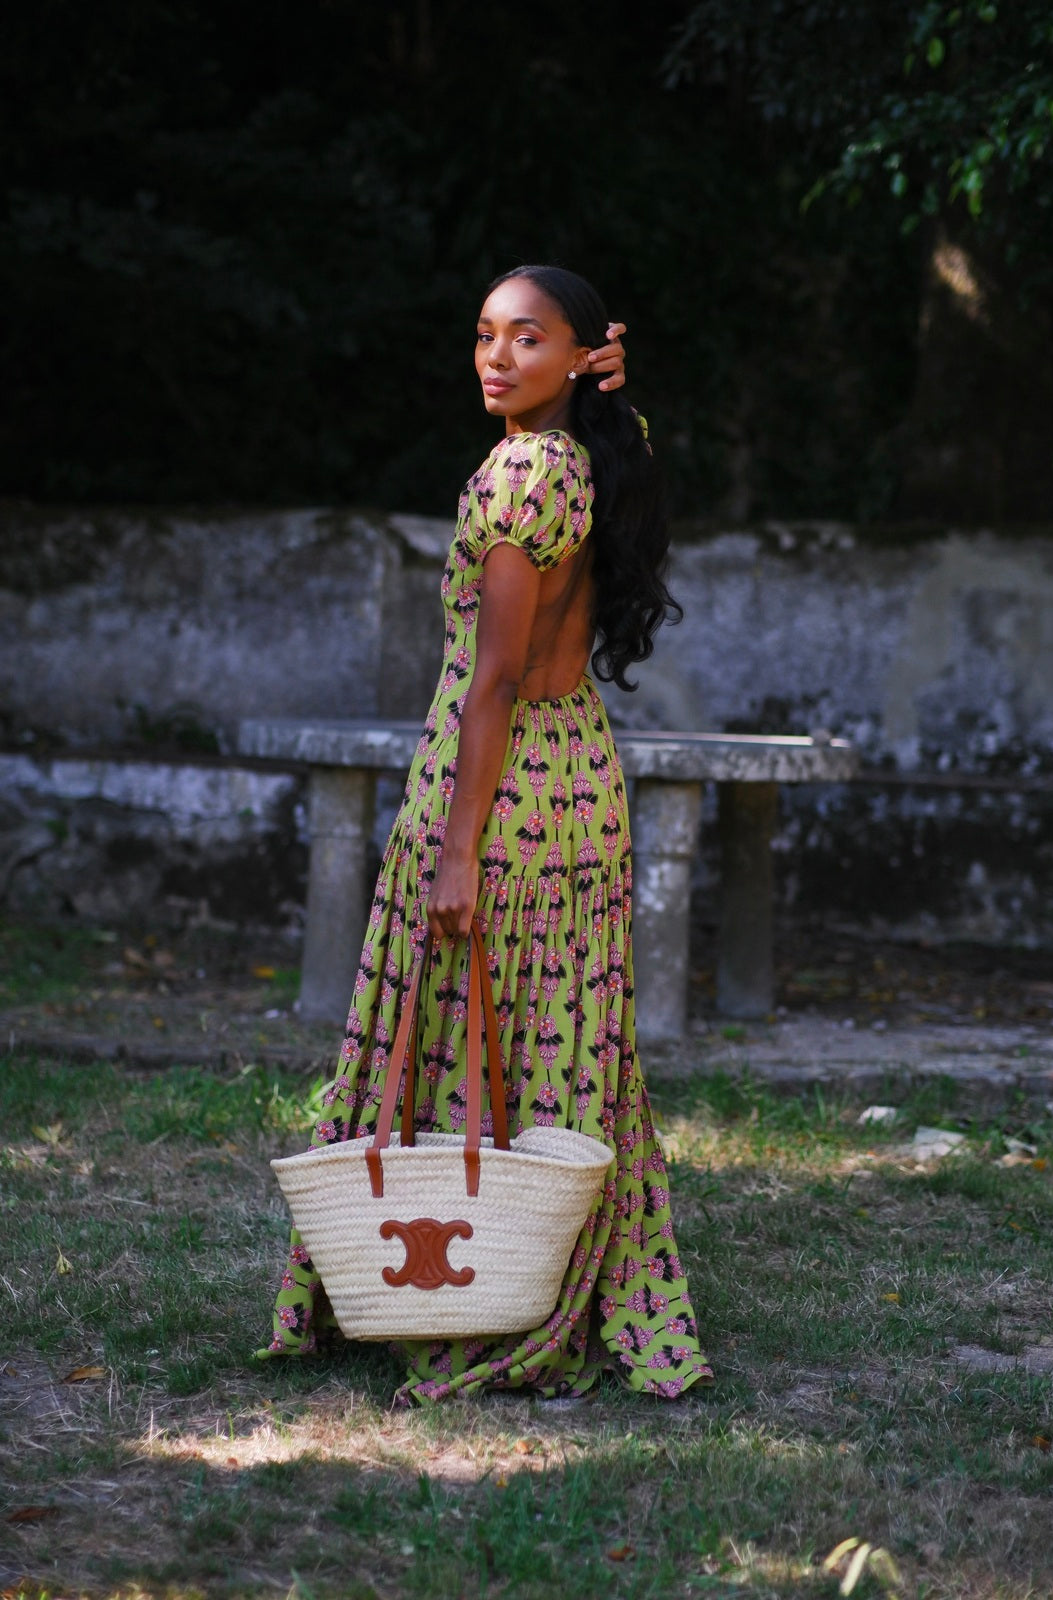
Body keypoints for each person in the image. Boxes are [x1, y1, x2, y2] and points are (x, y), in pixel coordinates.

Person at [257, 265, 713, 1403]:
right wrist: (614, 393)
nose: (495, 357)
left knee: (460, 1030)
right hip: (578, 781)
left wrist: (455, 848)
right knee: (559, 1043)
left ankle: (458, 1295)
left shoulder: (520, 470)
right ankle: (547, 1281)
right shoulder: (604, 455)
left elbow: (495, 678)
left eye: (526, 339)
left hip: (501, 793)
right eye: (483, 336)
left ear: (572, 356)